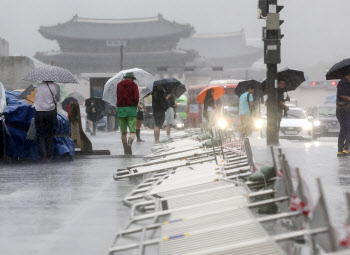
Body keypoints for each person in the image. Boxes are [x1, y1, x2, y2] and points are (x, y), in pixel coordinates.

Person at [33, 81, 60, 162]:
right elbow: (57, 99)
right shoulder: (56, 86)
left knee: (40, 134)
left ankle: (43, 156)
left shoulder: (38, 86)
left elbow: (35, 98)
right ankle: (49, 156)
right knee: (49, 133)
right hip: (50, 112)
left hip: (39, 112)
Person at [116, 72, 139, 155]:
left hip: (121, 110)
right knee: (132, 131)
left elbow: (118, 96)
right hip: (131, 109)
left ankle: (125, 149)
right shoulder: (134, 85)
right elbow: (136, 98)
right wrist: (135, 105)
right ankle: (130, 144)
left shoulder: (119, 85)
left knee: (123, 132)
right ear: (132, 78)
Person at [336, 70, 350, 157]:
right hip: (344, 110)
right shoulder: (343, 82)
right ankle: (345, 149)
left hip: (343, 109)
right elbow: (342, 95)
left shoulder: (346, 82)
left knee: (344, 129)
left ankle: (340, 150)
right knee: (348, 128)